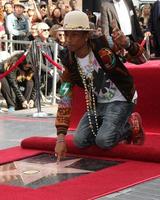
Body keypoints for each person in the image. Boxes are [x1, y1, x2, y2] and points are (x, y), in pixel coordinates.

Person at [54, 10, 147, 162]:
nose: (68, 40)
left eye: (74, 35)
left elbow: (142, 59)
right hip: (98, 104)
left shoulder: (104, 45)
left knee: (103, 141)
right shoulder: (69, 62)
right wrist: (61, 138)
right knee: (79, 141)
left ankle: (131, 124)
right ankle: (112, 127)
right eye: (67, 34)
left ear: (85, 36)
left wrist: (128, 44)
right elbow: (65, 99)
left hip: (122, 99)